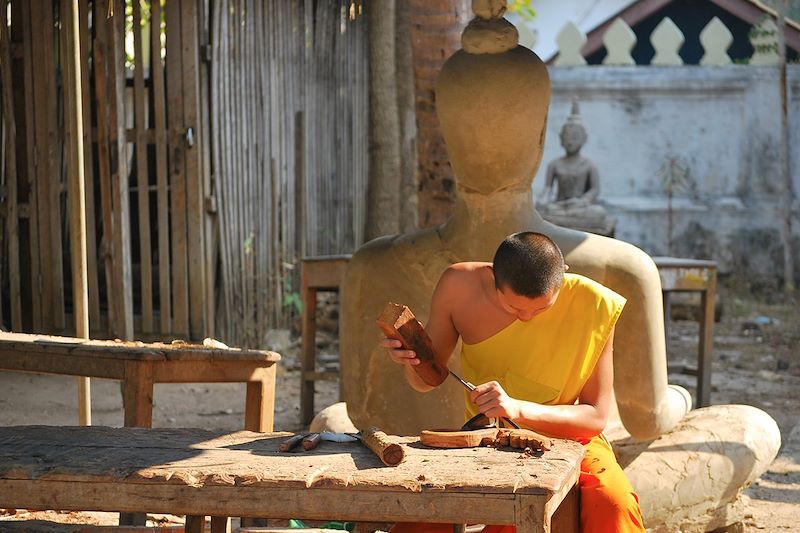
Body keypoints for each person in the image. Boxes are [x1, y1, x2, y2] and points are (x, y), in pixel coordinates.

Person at [382, 232, 645, 533]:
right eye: (513, 307)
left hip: (569, 438)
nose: (526, 318)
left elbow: (595, 416)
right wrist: (411, 358)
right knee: (426, 519)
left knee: (614, 503)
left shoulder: (592, 304)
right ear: (493, 277)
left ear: (563, 278)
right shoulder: (459, 287)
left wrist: (517, 408)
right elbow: (426, 381)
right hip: (486, 441)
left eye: (541, 309)